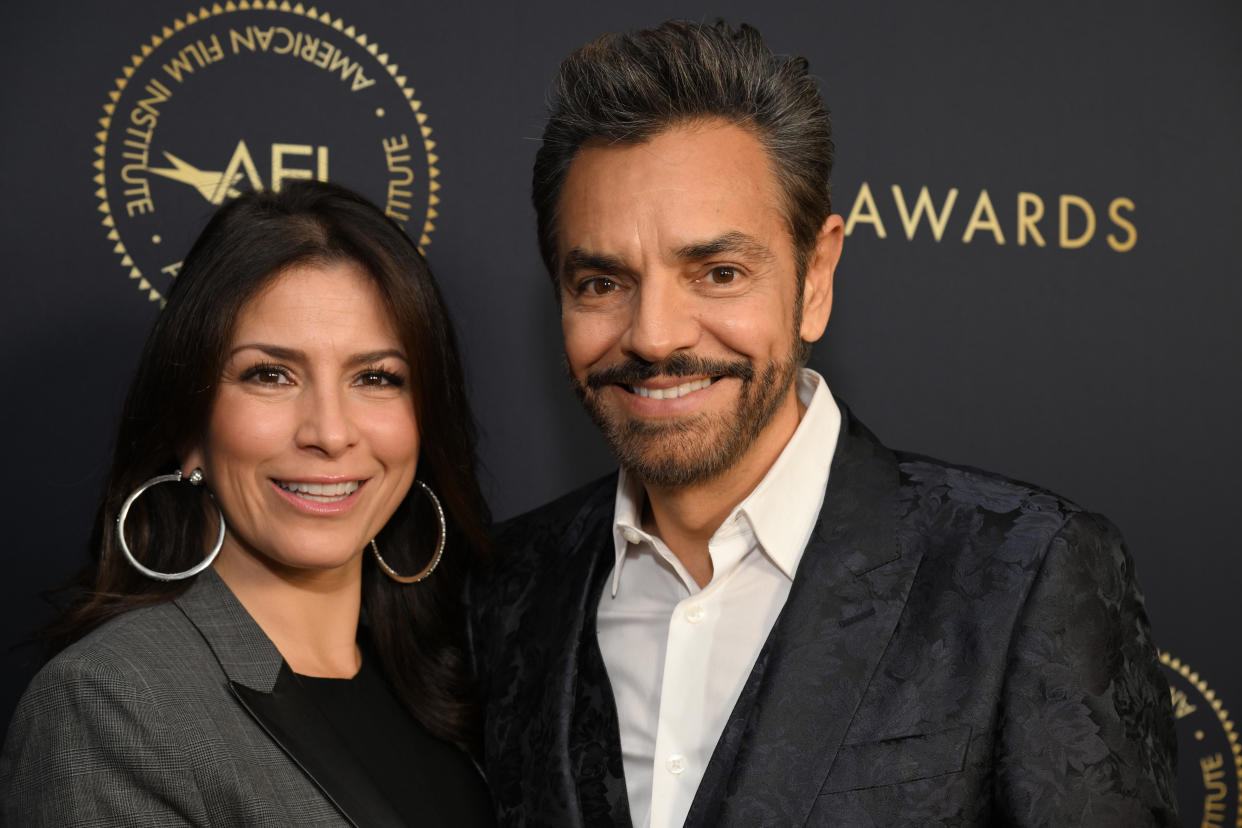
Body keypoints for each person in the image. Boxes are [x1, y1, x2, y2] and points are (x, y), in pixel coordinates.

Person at [469, 20, 1178, 827]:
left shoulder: (1026, 574)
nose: (655, 335)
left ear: (816, 278)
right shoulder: (509, 587)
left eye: (719, 272)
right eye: (602, 282)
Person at [1, 181, 496, 826]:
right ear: (189, 426)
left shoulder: (459, 686)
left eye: (375, 378)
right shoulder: (109, 702)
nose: (329, 431)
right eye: (270, 374)